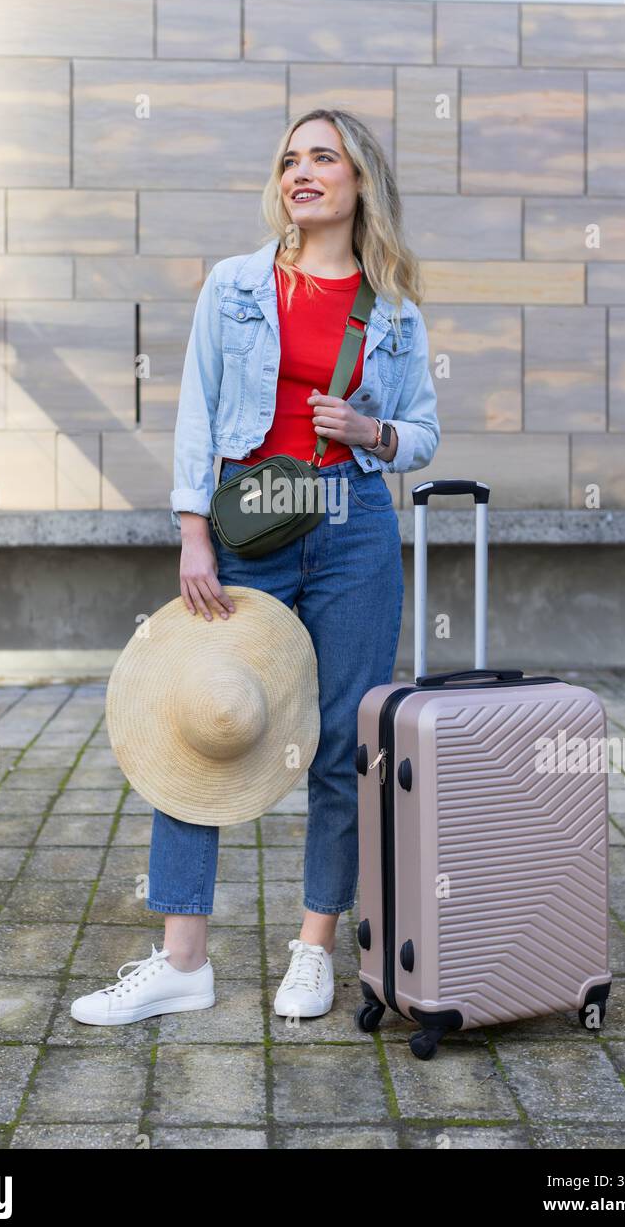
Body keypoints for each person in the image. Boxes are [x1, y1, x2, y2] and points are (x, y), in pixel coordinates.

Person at [71, 108, 440, 1028]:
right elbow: (196, 409)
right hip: (251, 523)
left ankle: (314, 949)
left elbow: (423, 434)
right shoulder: (236, 286)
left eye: (322, 157)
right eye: (288, 159)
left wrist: (371, 431)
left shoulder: (392, 311)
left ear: (359, 181)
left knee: (340, 743)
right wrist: (193, 530)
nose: (300, 172)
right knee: (197, 723)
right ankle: (181, 962)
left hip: (352, 525)